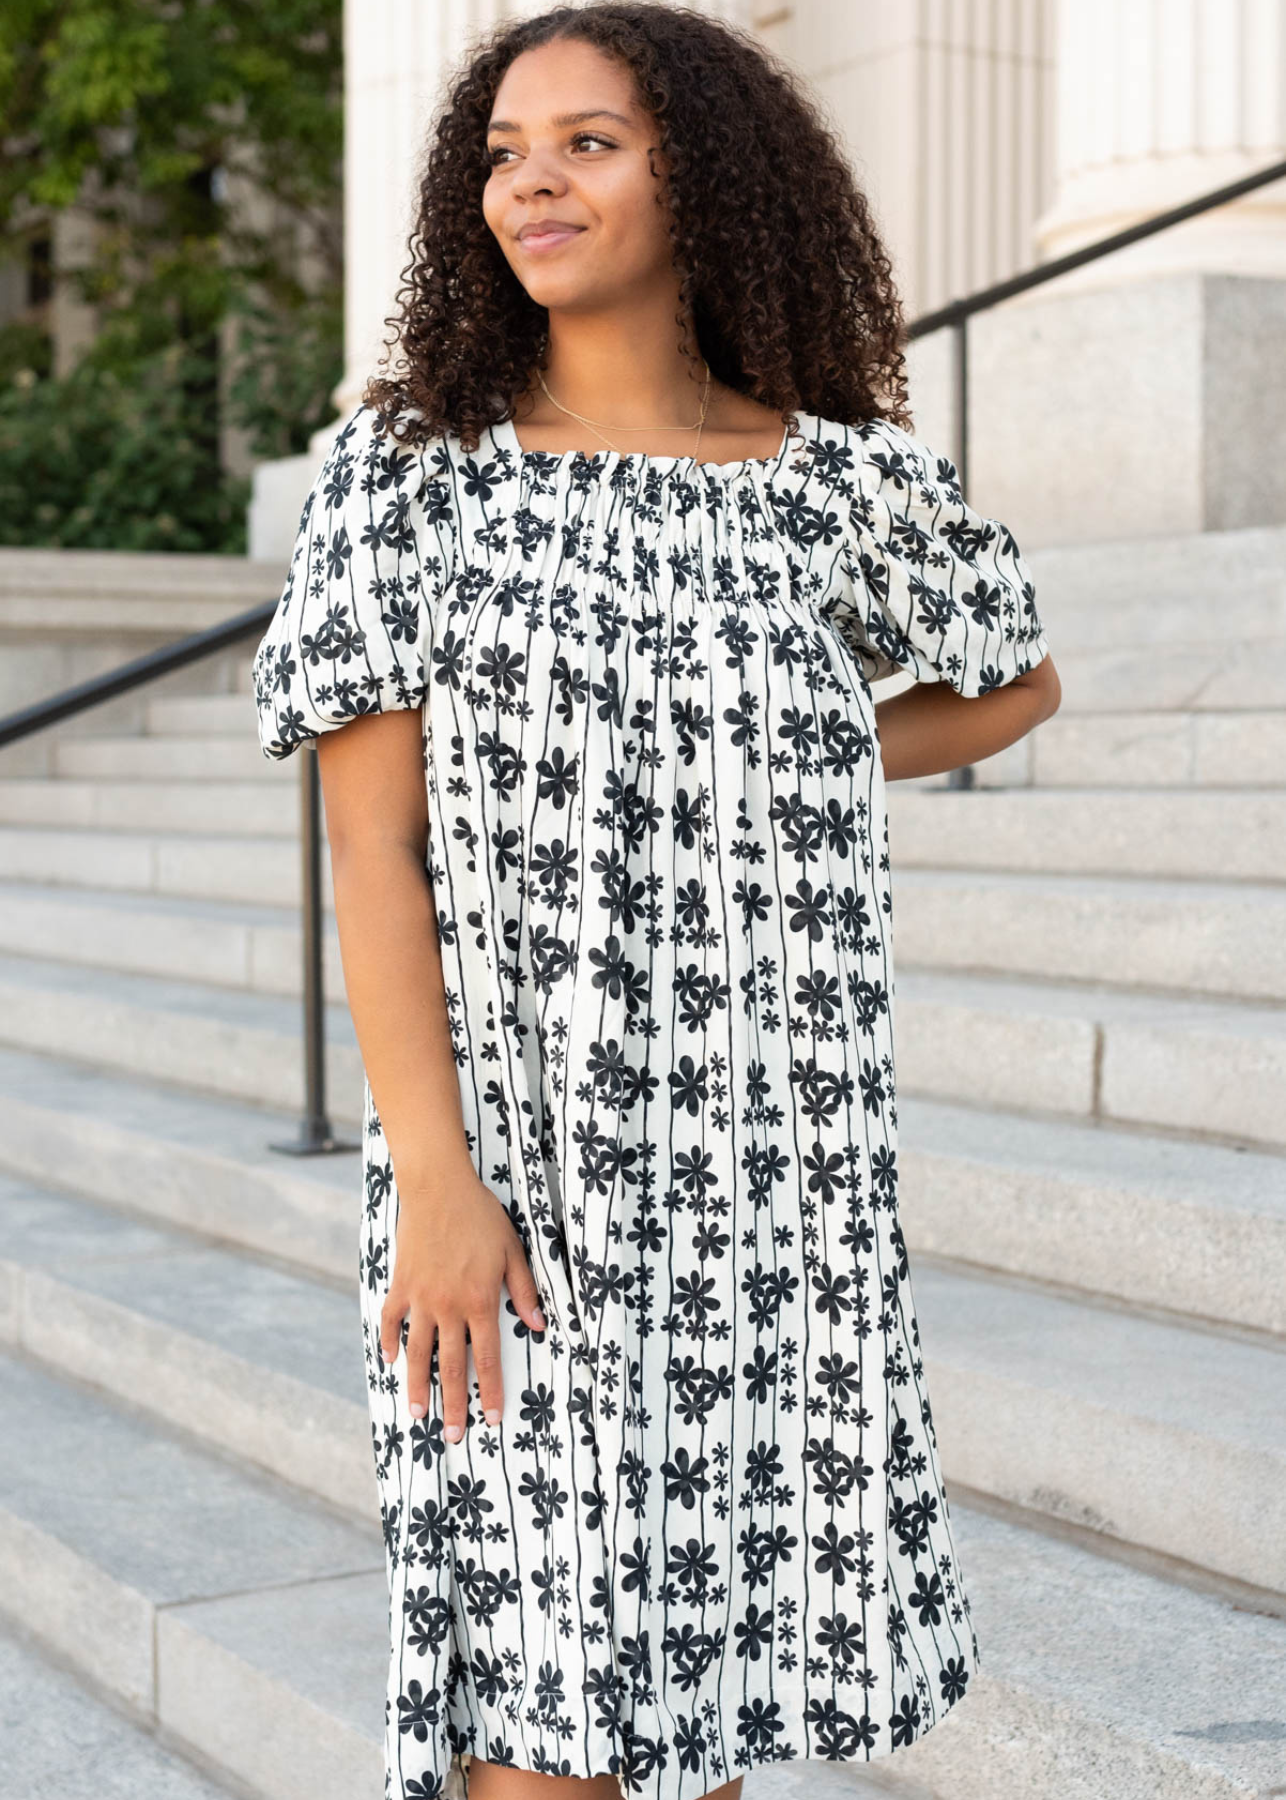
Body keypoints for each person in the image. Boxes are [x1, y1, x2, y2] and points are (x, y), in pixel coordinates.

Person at [251, 6, 1060, 1800]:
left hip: (764, 1177)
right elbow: (370, 847)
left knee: (701, 1706)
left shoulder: (833, 479)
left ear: (701, 170)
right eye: (501, 152)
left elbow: (1012, 679)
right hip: (510, 1176)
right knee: (537, 1728)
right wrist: (437, 1180)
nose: (528, 180)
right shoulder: (410, 473)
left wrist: (790, 755)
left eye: (587, 141)